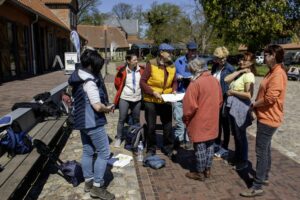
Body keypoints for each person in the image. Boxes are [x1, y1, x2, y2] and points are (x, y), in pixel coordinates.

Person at [241, 45, 287, 197]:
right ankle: (264, 176)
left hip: (269, 118)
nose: (264, 57)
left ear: (273, 56)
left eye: (266, 55)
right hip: (266, 117)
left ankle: (257, 185)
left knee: (261, 151)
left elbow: (270, 98)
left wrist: (254, 104)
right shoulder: (272, 72)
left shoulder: (278, 74)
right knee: (265, 149)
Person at [68, 48, 115, 200]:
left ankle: (88, 182)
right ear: (91, 66)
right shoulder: (89, 82)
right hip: (93, 121)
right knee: (104, 153)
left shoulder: (77, 76)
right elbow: (97, 106)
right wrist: (107, 108)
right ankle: (97, 186)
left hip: (81, 120)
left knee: (88, 151)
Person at [183, 58, 223, 181]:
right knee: (210, 145)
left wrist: (186, 118)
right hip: (213, 117)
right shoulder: (214, 80)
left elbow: (190, 106)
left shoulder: (195, 84)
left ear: (195, 70)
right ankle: (207, 169)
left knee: (200, 146)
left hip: (199, 119)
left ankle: (200, 173)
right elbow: (220, 100)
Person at [140, 43, 177, 157]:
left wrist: (174, 90)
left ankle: (168, 147)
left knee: (168, 125)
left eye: (172, 52)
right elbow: (142, 82)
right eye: (169, 52)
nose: (171, 54)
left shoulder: (172, 65)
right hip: (151, 99)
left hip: (165, 99)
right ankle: (151, 148)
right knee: (151, 126)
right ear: (161, 53)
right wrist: (153, 92)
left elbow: (174, 81)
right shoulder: (151, 64)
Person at [224, 52, 256, 170]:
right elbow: (226, 79)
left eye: (245, 61)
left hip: (240, 107)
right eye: (241, 60)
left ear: (251, 62)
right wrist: (240, 71)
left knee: (241, 135)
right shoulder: (241, 73)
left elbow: (249, 95)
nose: (242, 62)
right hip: (233, 107)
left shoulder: (249, 76)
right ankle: (238, 157)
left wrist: (233, 92)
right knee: (237, 135)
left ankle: (243, 160)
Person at [113, 52, 144, 147]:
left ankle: (136, 137)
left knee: (136, 119)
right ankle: (119, 138)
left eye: (137, 60)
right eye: (134, 60)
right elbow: (117, 84)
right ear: (128, 61)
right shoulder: (122, 71)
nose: (136, 61)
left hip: (137, 98)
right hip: (125, 97)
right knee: (122, 118)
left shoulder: (141, 70)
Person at [173, 42, 198, 149]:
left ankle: (188, 139)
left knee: (190, 117)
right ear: (187, 50)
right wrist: (177, 76)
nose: (193, 53)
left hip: (193, 94)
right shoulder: (178, 61)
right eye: (191, 50)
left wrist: (195, 78)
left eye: (195, 50)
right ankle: (179, 139)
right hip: (179, 92)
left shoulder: (200, 62)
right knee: (178, 118)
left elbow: (205, 75)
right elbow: (172, 75)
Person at [211, 46, 235, 158]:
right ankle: (216, 143)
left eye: (224, 58)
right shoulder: (215, 66)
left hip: (225, 99)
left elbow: (232, 85)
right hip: (214, 99)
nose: (222, 60)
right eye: (219, 58)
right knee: (216, 123)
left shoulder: (230, 69)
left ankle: (224, 147)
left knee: (225, 124)